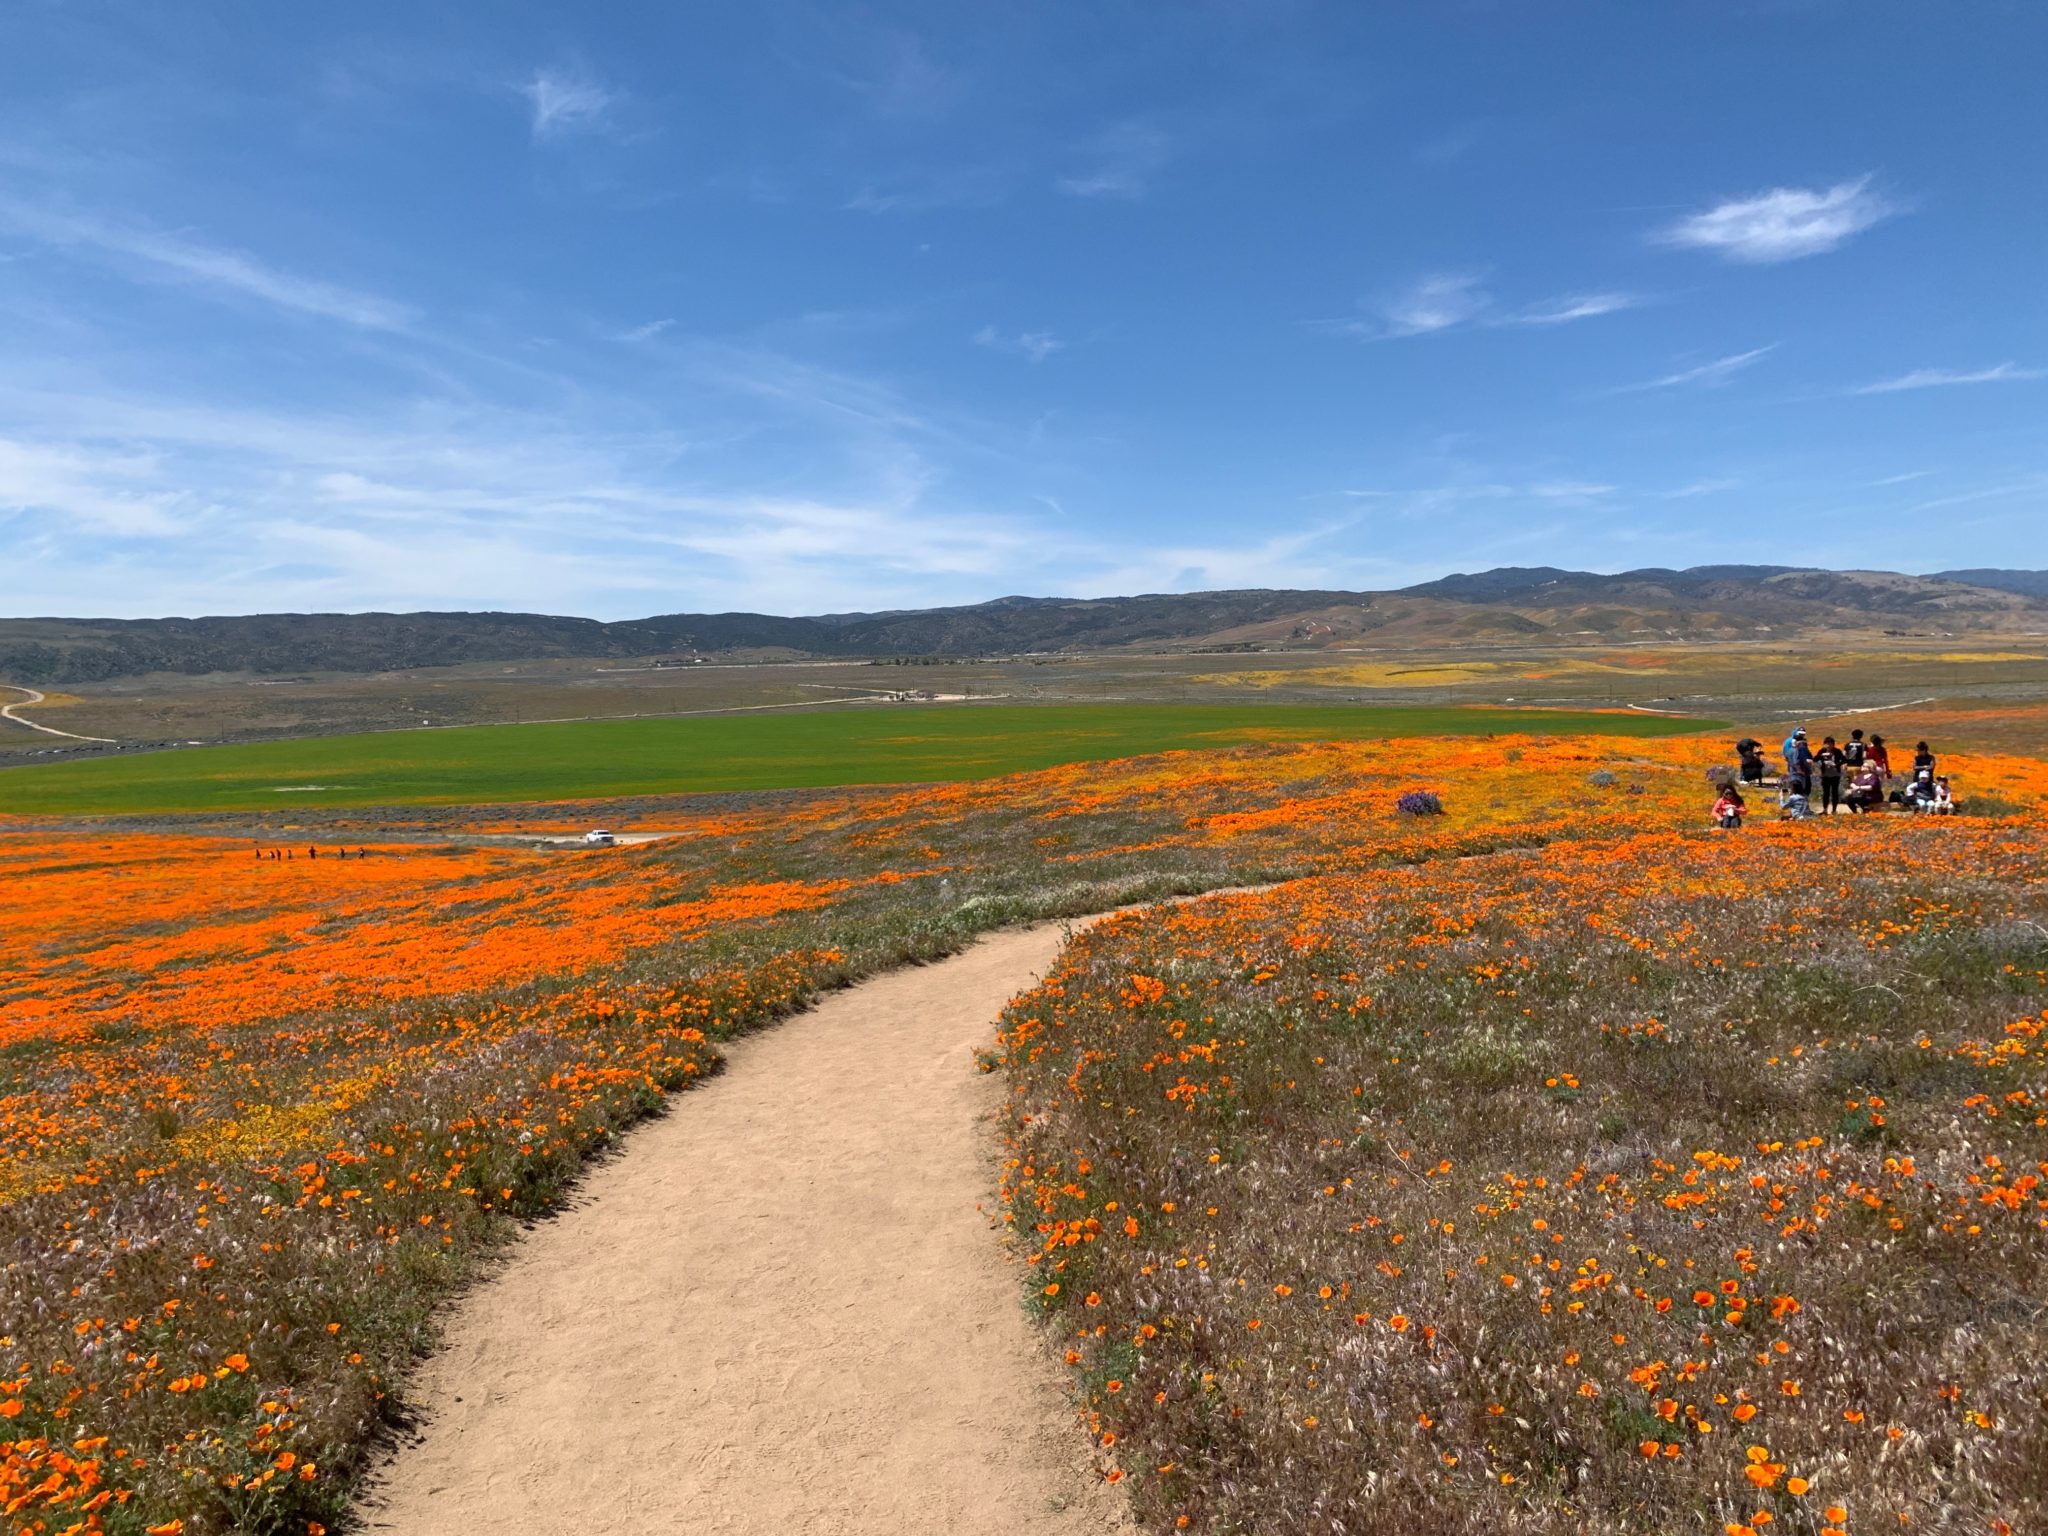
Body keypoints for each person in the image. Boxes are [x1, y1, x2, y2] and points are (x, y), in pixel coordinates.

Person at [1813, 735, 1845, 815]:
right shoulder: (1822, 751)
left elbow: (1844, 759)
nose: (1829, 746)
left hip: (1835, 774)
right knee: (1825, 793)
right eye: (1827, 744)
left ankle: (1834, 810)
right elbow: (1815, 759)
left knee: (1834, 793)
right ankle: (1825, 809)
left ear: (1833, 744)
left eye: (1830, 744)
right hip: (1825, 775)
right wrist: (1821, 756)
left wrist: (1836, 765)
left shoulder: (1837, 751)